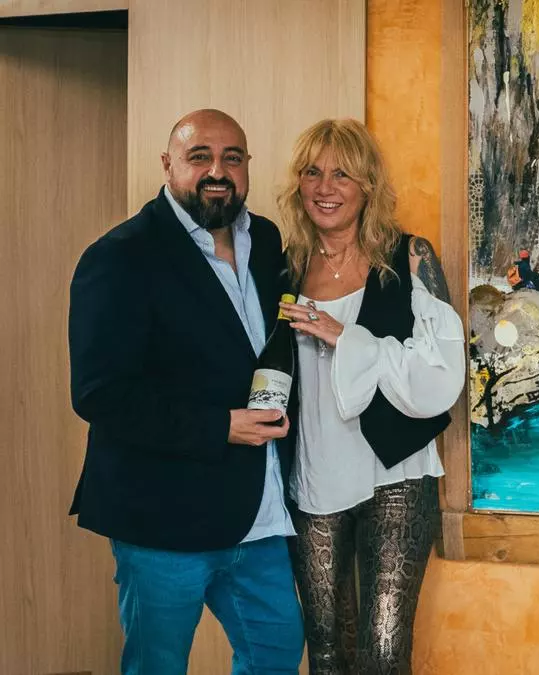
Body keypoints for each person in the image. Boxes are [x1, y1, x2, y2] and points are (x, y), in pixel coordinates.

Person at [68, 109, 304, 674]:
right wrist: (221, 426)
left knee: (276, 655)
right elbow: (100, 393)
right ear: (168, 164)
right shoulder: (119, 256)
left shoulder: (267, 240)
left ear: (247, 166)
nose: (217, 171)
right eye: (200, 156)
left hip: (258, 515)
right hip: (160, 520)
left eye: (232, 158)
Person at [275, 118, 465, 675]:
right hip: (313, 480)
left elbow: (441, 379)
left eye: (342, 174)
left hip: (396, 477)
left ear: (368, 186)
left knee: (382, 657)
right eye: (313, 172)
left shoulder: (410, 257)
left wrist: (347, 337)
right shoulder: (285, 265)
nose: (325, 187)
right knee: (326, 654)